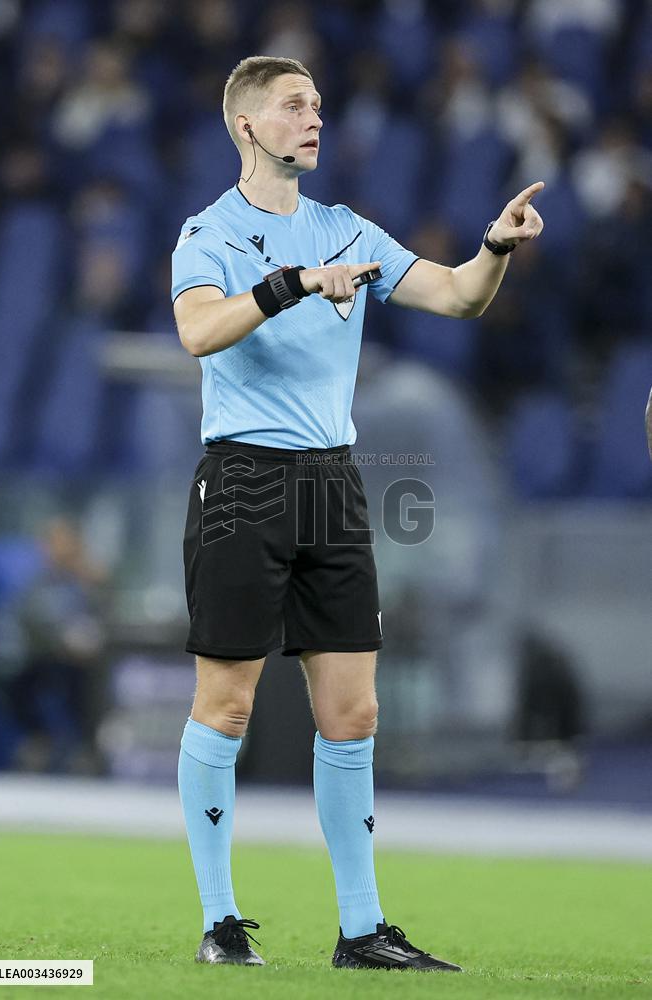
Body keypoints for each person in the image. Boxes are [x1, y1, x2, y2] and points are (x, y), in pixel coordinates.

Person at [171, 55, 544, 972]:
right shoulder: (205, 232)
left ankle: (362, 930)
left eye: (320, 106)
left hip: (332, 484)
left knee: (356, 715)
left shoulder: (345, 231)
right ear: (247, 126)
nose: (315, 119)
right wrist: (290, 284)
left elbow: (457, 296)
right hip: (245, 478)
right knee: (225, 706)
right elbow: (197, 331)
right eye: (294, 106)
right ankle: (220, 923)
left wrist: (493, 246)